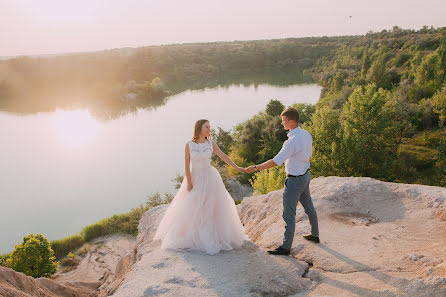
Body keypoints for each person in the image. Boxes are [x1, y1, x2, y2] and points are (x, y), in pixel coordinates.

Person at [153, 119, 249, 255]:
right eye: (207, 127)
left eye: (209, 127)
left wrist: (237, 167)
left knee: (211, 206)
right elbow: (186, 165)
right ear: (199, 128)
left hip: (211, 177)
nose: (209, 129)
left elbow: (223, 156)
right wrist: (190, 182)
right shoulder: (189, 144)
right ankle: (195, 236)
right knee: (194, 206)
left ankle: (214, 236)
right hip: (196, 178)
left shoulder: (211, 142)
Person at [246, 107, 319, 256]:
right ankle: (315, 235)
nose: (282, 124)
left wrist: (255, 167)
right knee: (309, 206)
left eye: (284, 121)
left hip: (294, 181)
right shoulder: (306, 134)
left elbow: (275, 161)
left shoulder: (291, 142)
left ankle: (285, 248)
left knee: (289, 215)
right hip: (305, 176)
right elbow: (308, 156)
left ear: (291, 121)